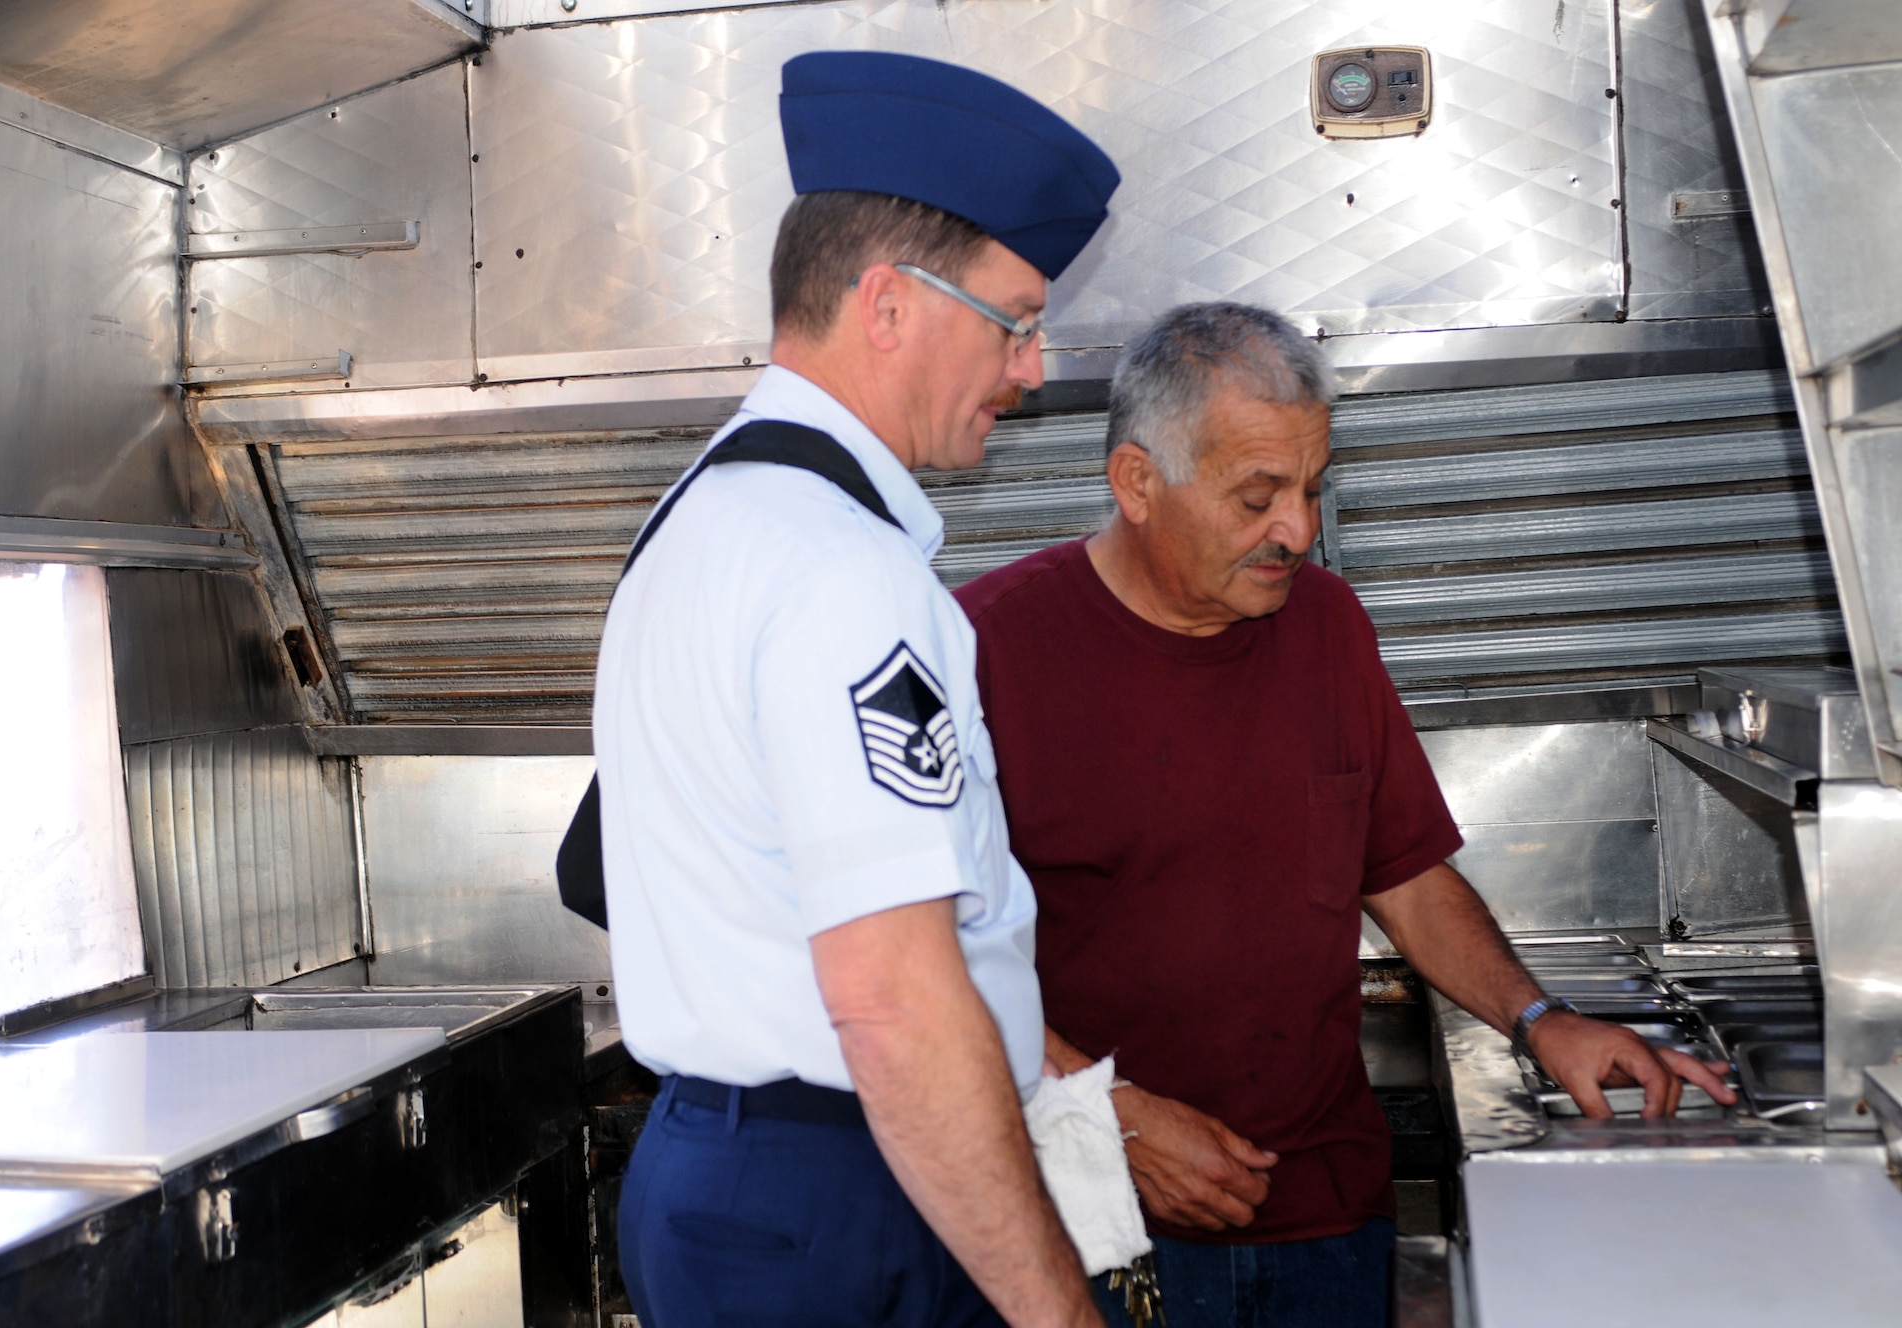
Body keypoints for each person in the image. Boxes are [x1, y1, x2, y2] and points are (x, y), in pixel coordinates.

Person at [955, 303, 1738, 1328]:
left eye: (1312, 487)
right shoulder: (983, 650)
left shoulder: (1323, 624)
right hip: (1094, 1226)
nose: (1298, 529)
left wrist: (1541, 1021)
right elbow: (927, 956)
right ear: (1137, 483)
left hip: (1325, 1212)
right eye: (1256, 495)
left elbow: (1403, 874)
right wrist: (1106, 1114)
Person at [594, 50, 1122, 1328]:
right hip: (842, 1197)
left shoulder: (706, 519)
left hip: (739, 1185)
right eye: (1011, 319)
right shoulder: (842, 571)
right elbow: (891, 997)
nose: (1030, 368)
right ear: (887, 305)